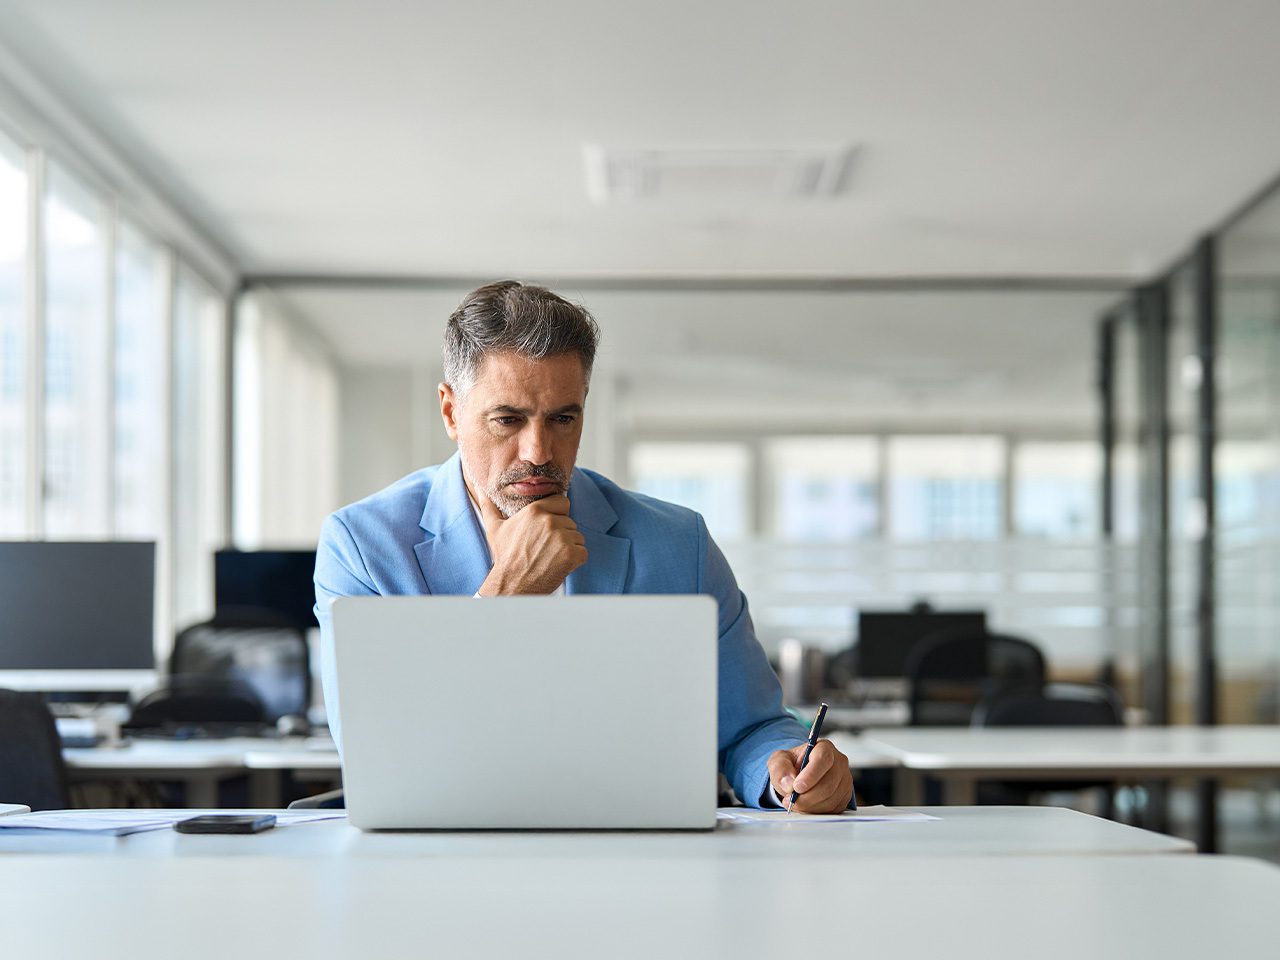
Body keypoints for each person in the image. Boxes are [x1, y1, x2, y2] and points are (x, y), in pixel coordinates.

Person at [314, 280, 853, 812]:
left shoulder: (677, 544)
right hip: (442, 854)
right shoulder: (363, 546)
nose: (539, 451)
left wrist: (786, 773)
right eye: (508, 419)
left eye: (563, 418)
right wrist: (507, 595)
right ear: (451, 411)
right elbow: (378, 745)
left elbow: (753, 727)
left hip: (638, 853)